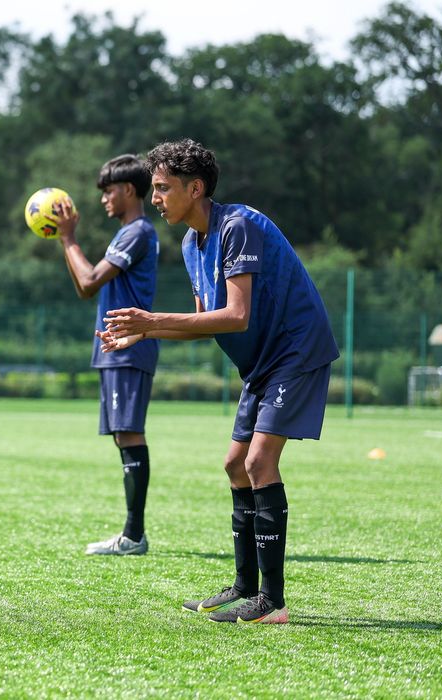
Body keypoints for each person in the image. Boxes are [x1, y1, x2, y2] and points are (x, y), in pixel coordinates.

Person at [100, 139, 338, 624]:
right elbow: (205, 322)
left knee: (258, 461)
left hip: (295, 351)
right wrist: (144, 332)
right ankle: (244, 587)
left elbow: (236, 315)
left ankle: (273, 601)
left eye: (163, 188)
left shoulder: (238, 226)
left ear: (196, 188)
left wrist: (150, 319)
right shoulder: (191, 243)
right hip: (262, 364)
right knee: (235, 465)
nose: (155, 197)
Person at [52, 154, 160, 556]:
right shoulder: (126, 233)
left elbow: (91, 279)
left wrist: (68, 239)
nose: (103, 199)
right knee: (122, 434)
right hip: (115, 348)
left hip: (129, 346)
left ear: (129, 190)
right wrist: (66, 242)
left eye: (109, 191)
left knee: (129, 433)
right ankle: (132, 534)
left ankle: (133, 536)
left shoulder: (137, 232)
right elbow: (86, 288)